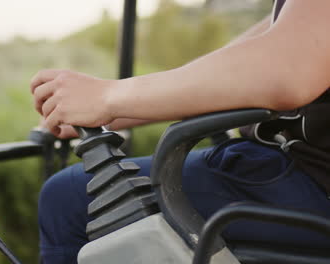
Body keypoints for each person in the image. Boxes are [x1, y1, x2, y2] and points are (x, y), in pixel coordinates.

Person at [31, 1, 330, 263]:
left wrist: (108, 96)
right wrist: (120, 109)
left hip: (312, 181)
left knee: (67, 200)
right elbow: (275, 42)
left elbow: (289, 65)